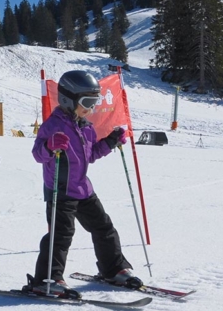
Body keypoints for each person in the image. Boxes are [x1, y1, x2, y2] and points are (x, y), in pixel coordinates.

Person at [24, 70, 140, 298]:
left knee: (103, 227)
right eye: (87, 102)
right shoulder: (52, 125)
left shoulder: (86, 127)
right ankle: (47, 278)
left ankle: (113, 269)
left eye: (95, 102)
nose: (91, 108)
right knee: (61, 234)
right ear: (68, 100)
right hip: (60, 189)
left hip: (83, 189)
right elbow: (38, 154)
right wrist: (49, 146)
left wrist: (110, 141)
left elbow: (92, 154)